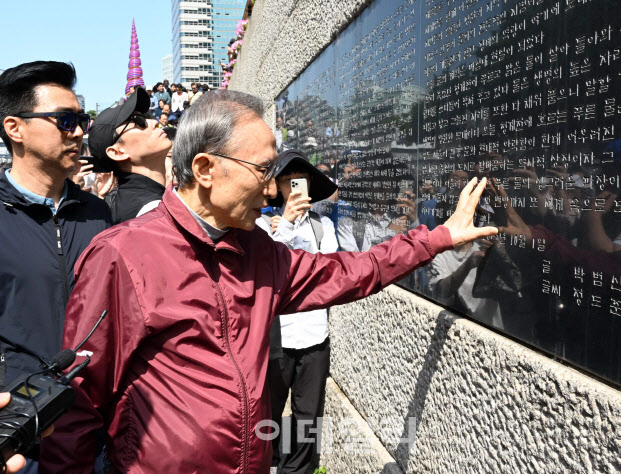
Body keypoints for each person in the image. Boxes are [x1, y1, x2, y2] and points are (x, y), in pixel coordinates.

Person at [39, 90, 496, 473]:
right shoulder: (121, 255)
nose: (272, 188)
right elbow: (79, 402)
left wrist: (437, 238)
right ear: (204, 169)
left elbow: (349, 272)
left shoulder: (257, 248)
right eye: (263, 170)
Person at [0, 61, 111, 472]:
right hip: (20, 441)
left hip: (96, 437)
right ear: (16, 128)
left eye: (81, 119)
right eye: (65, 120)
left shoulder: (100, 214)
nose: (79, 131)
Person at [255, 150, 338, 473]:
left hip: (315, 334)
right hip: (277, 336)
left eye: (299, 182)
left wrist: (294, 232)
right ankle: (269, 463)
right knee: (270, 411)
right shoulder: (261, 225)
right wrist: (285, 226)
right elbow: (267, 268)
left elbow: (327, 271)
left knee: (309, 413)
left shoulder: (322, 226)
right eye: (288, 182)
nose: (295, 189)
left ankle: (300, 469)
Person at [88, 88, 172, 225]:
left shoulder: (127, 203)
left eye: (146, 117)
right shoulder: (149, 213)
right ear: (117, 152)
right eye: (138, 121)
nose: (153, 122)